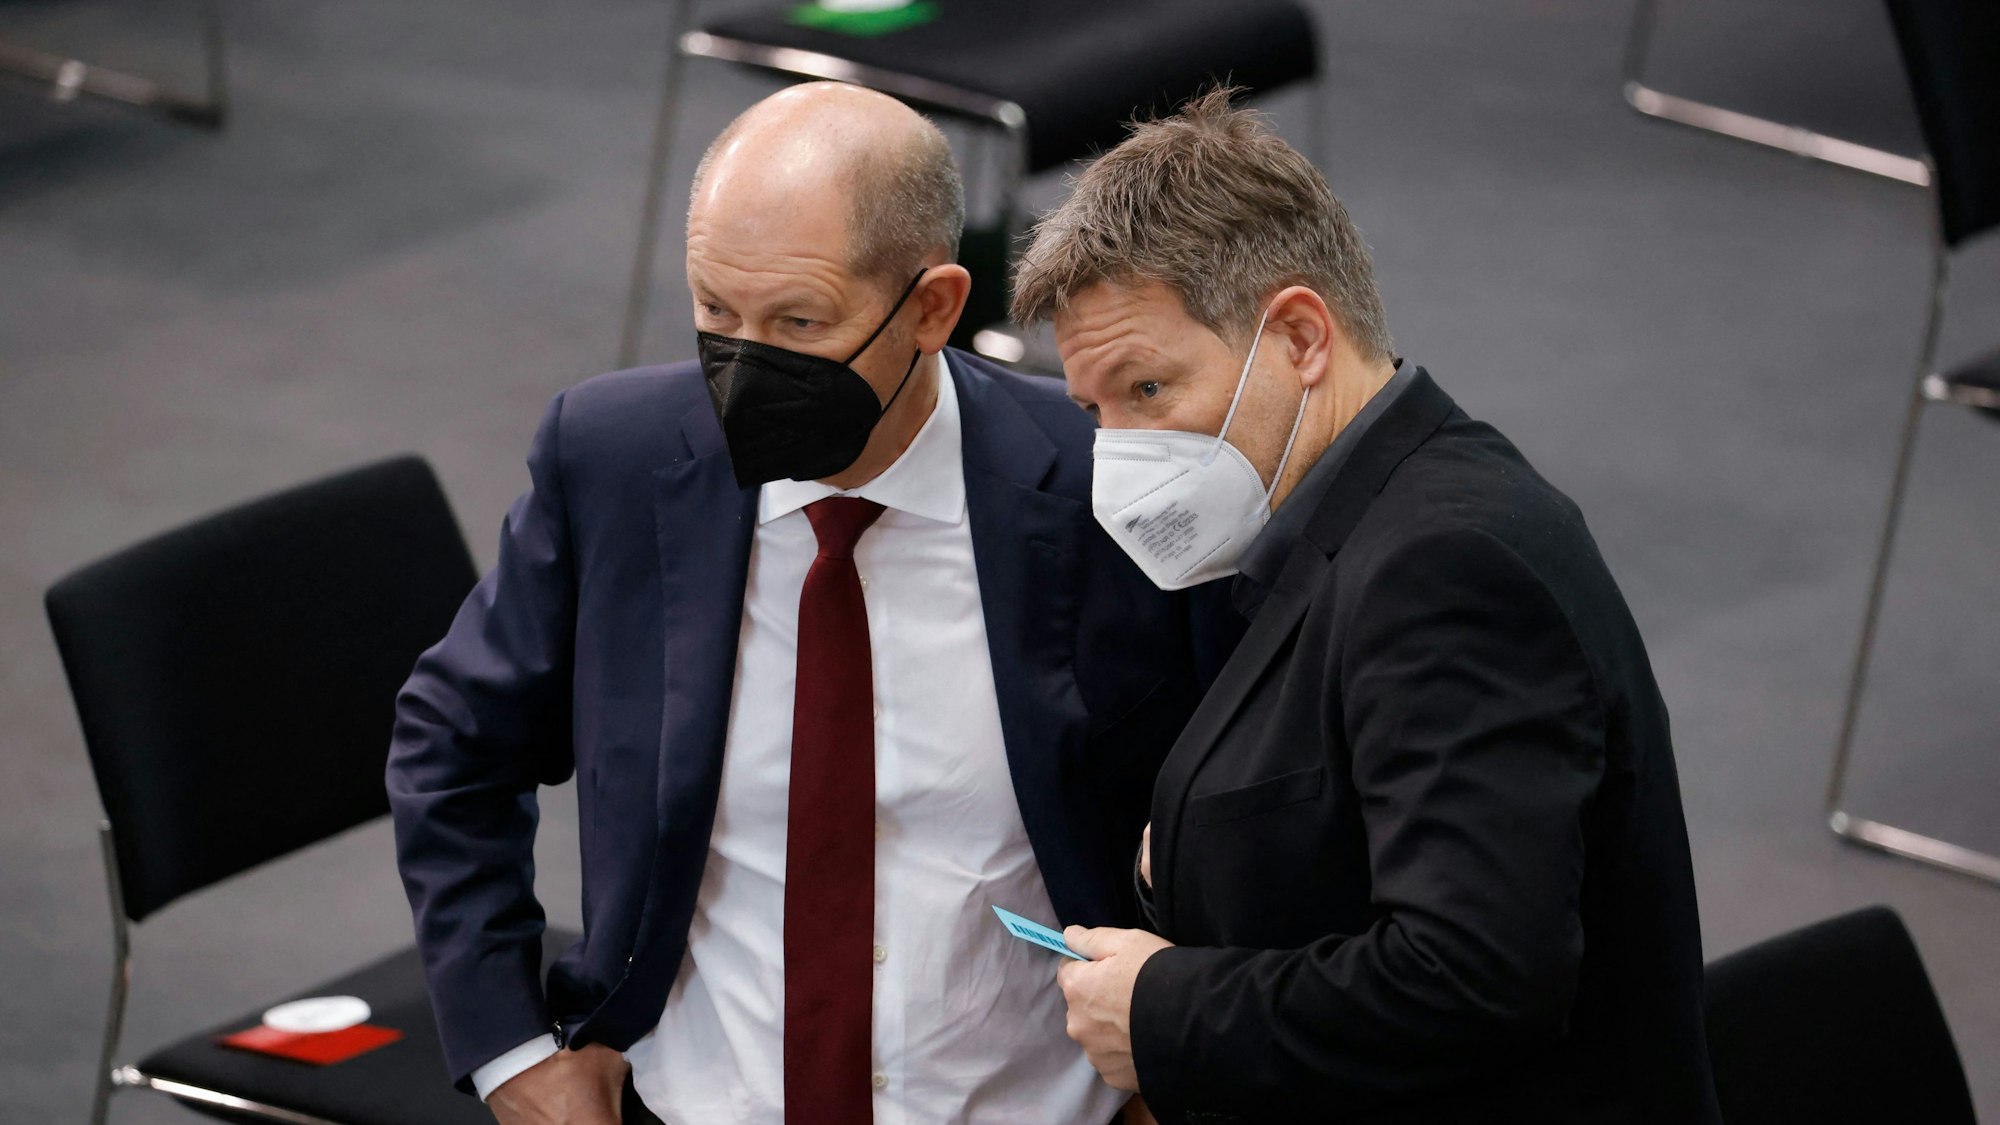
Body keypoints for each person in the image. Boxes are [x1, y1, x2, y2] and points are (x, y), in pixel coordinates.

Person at [386, 83, 1228, 1125]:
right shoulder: (612, 459)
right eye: (712, 313)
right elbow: (452, 741)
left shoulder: (1105, 484)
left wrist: (1180, 1068)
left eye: (797, 321)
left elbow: (1248, 804)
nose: (742, 366)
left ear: (931, 307)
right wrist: (512, 1050)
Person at [1012, 89, 1722, 1124]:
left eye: (1148, 392)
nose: (1117, 450)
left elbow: (1469, 977)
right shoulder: (1335, 521)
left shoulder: (1444, 567)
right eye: (1094, 413)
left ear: (1299, 336)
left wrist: (1164, 1007)